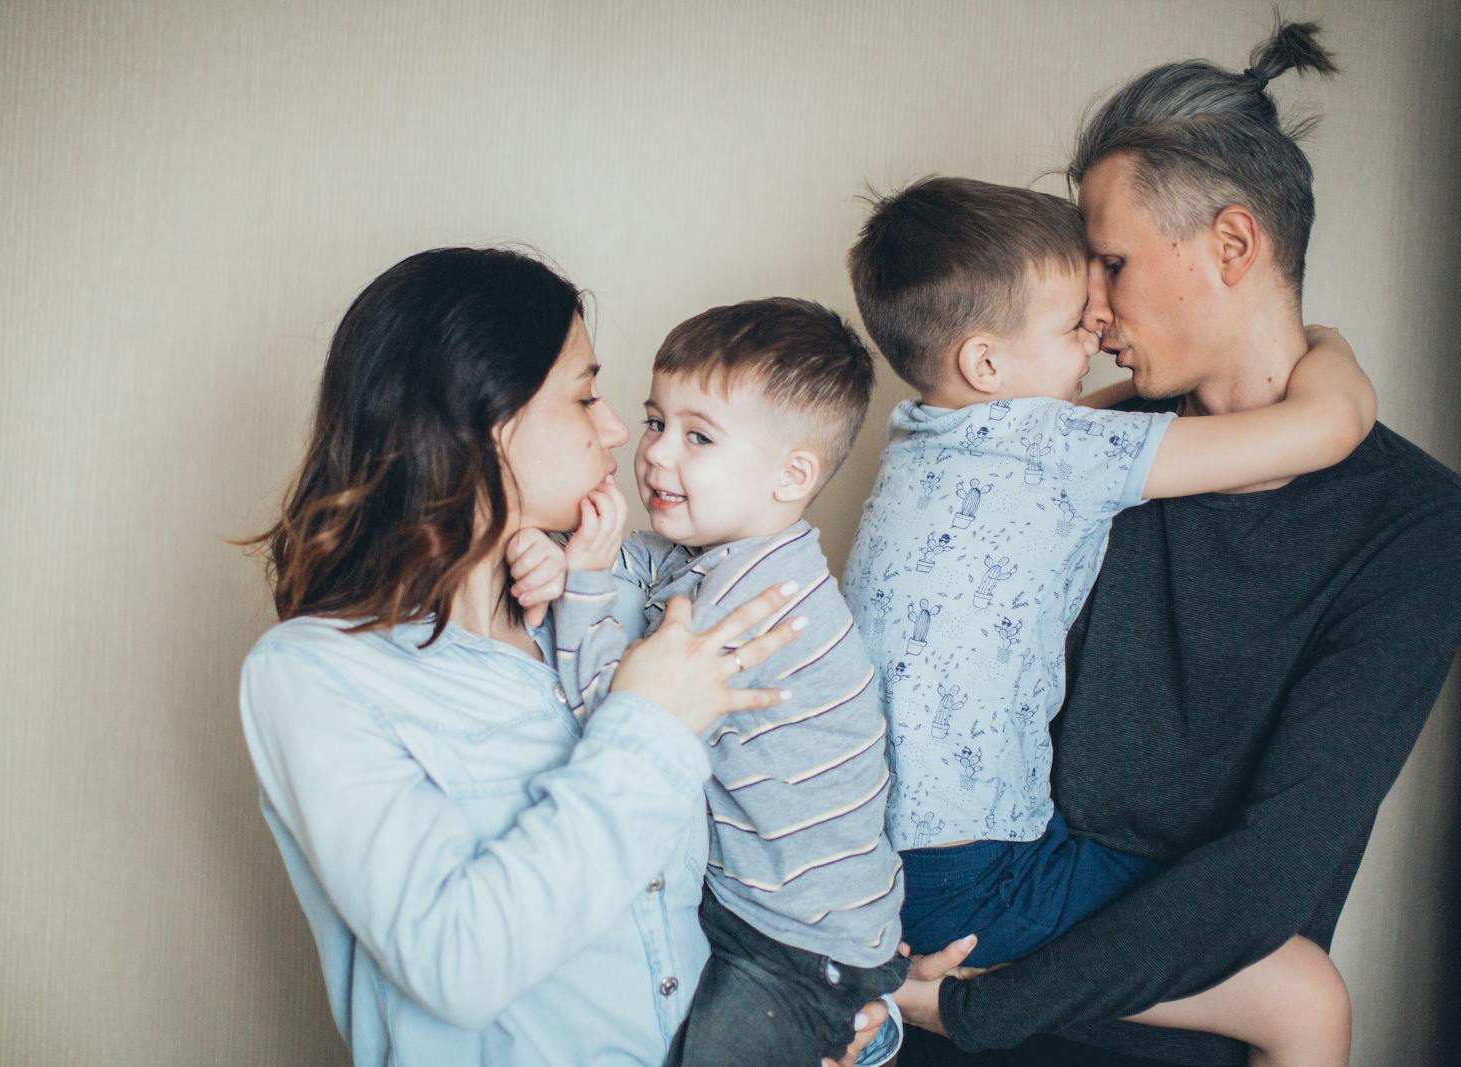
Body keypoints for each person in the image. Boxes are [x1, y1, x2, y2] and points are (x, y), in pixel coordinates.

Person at [883, 20, 1461, 1066]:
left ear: (1232, 245)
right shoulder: (1085, 460)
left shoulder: (1413, 524)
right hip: (953, 975)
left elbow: (1269, 874)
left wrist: (982, 1005)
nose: (1088, 310)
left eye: (1108, 262)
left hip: (1114, 1009)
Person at [236, 247, 918, 1066]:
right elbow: (457, 962)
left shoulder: (616, 605)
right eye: (588, 394)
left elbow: (732, 877)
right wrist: (649, 723)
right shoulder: (317, 675)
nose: (621, 430)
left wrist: (858, 1009)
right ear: (487, 418)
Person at [842, 174, 1370, 1066]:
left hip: (877, 859)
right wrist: (1328, 340)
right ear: (985, 364)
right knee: (1306, 996)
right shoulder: (1055, 453)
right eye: (1073, 325)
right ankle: (940, 999)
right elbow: (1324, 429)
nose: (1098, 333)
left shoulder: (925, 437)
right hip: (974, 876)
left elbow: (1076, 420)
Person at [509, 298, 909, 1065]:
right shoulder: (728, 555)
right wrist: (571, 555)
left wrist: (583, 583)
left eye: (698, 436)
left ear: (793, 473)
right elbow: (639, 561)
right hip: (777, 910)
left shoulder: (751, 609)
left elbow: (622, 716)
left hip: (794, 943)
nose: (656, 454)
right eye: (656, 421)